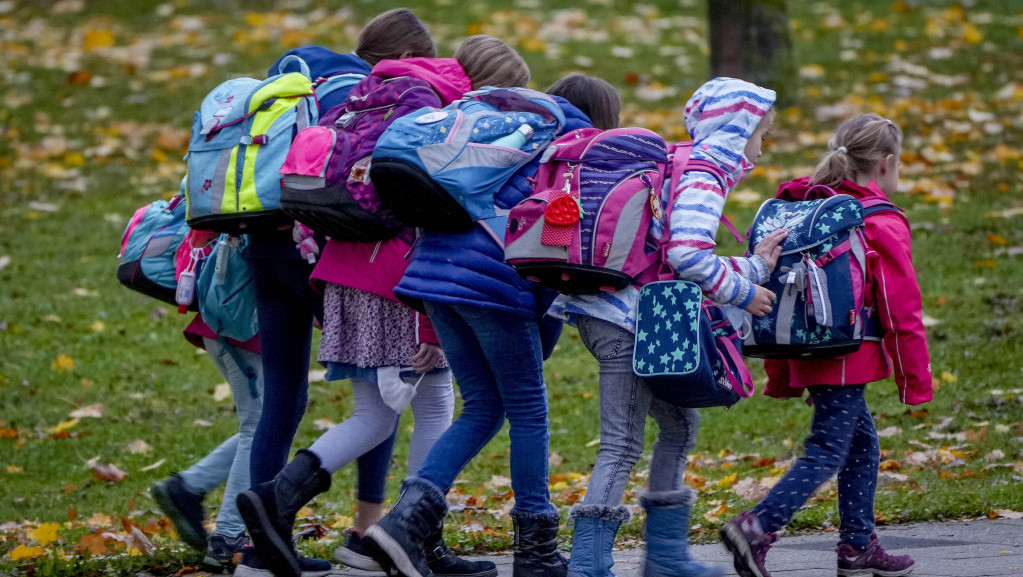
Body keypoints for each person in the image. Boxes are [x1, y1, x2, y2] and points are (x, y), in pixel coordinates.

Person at [236, 54, 497, 577]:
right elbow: (435, 213)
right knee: (434, 401)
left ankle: (277, 498)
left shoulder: (360, 101)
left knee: (375, 414)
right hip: (400, 279)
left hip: (344, 275)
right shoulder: (440, 113)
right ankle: (414, 537)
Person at [360, 63, 599, 577]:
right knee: (529, 411)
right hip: (492, 284)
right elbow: (556, 249)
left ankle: (402, 523)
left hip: (433, 276)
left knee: (484, 406)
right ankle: (535, 551)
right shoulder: (573, 148)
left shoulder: (518, 127)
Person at [546, 77, 784, 577]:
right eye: (762, 134)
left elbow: (673, 255)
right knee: (622, 442)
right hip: (626, 321)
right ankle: (588, 566)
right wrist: (747, 290)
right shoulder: (706, 171)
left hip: (618, 312)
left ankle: (666, 557)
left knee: (678, 424)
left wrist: (755, 267)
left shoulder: (680, 162)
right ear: (739, 129)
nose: (764, 149)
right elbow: (686, 256)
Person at [719, 114, 932, 577]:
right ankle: (757, 526)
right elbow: (901, 310)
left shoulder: (806, 207)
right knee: (827, 448)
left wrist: (780, 369)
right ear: (887, 163)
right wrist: (915, 380)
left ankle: (857, 547)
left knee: (861, 445)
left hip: (810, 345)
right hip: (846, 352)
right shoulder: (878, 220)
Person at [151, 230, 263, 569]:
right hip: (241, 323)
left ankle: (189, 487)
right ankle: (227, 535)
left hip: (224, 315)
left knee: (265, 422)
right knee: (259, 425)